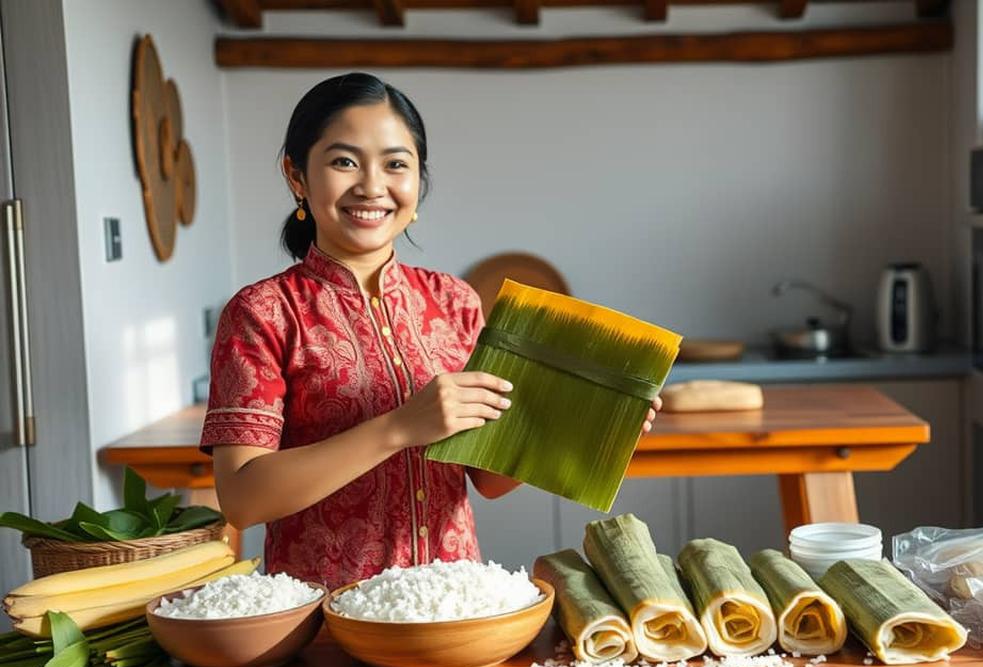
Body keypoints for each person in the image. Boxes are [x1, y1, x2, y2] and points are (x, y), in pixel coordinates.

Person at [201, 73, 658, 589]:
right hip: (328, 611)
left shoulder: (454, 301)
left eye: (396, 164)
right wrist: (399, 428)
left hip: (454, 602)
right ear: (297, 175)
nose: (372, 186)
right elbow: (242, 500)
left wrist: (591, 426)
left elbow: (487, 477)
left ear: (419, 180)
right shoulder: (262, 312)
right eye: (344, 161)